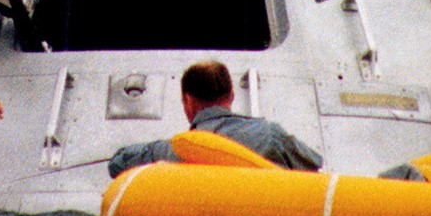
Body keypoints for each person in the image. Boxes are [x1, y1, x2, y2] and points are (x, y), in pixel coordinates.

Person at [107, 58, 320, 178]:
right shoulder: (271, 135)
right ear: (232, 96)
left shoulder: (174, 150)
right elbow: (314, 167)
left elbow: (117, 164)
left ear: (187, 101)